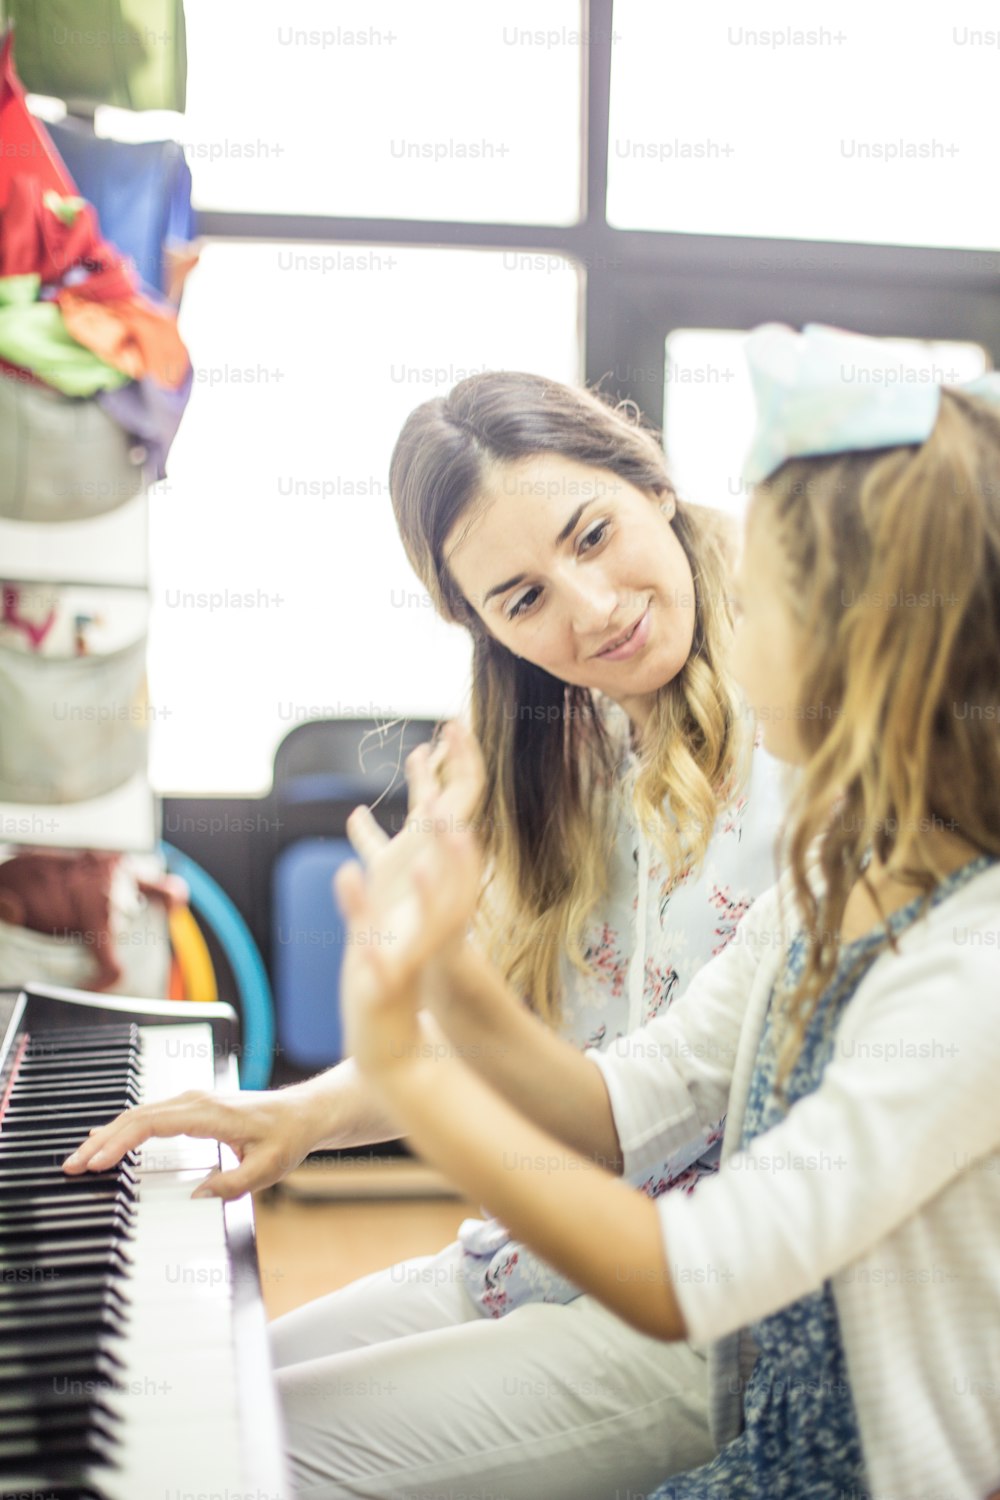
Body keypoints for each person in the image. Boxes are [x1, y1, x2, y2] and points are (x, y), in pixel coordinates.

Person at [64, 372, 787, 1498]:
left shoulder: (806, 722)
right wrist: (294, 1114)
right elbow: (515, 1052)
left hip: (708, 1309)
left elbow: (630, 1112)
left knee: (224, 1463)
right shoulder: (573, 743)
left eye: (593, 534)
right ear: (485, 627)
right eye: (523, 598)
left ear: (650, 479)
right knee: (204, 1400)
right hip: (544, 1258)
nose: (591, 608)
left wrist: (429, 974)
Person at [333, 322, 1000, 1500]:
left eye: (771, 592)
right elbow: (618, 1106)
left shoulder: (971, 967)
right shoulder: (825, 885)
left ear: (870, 644)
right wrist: (437, 967)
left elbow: (690, 1271)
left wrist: (405, 1059)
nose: (733, 617)